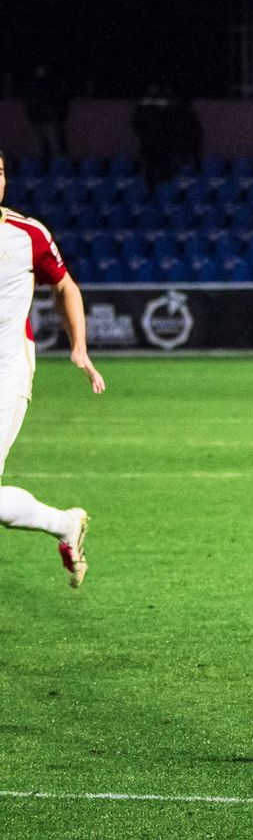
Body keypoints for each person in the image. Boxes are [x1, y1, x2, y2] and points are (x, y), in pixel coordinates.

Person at [0, 150, 103, 587]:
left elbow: (64, 285)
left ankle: (63, 524)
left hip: (6, 371)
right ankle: (64, 524)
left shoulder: (27, 235)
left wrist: (78, 346)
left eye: (0, 171)